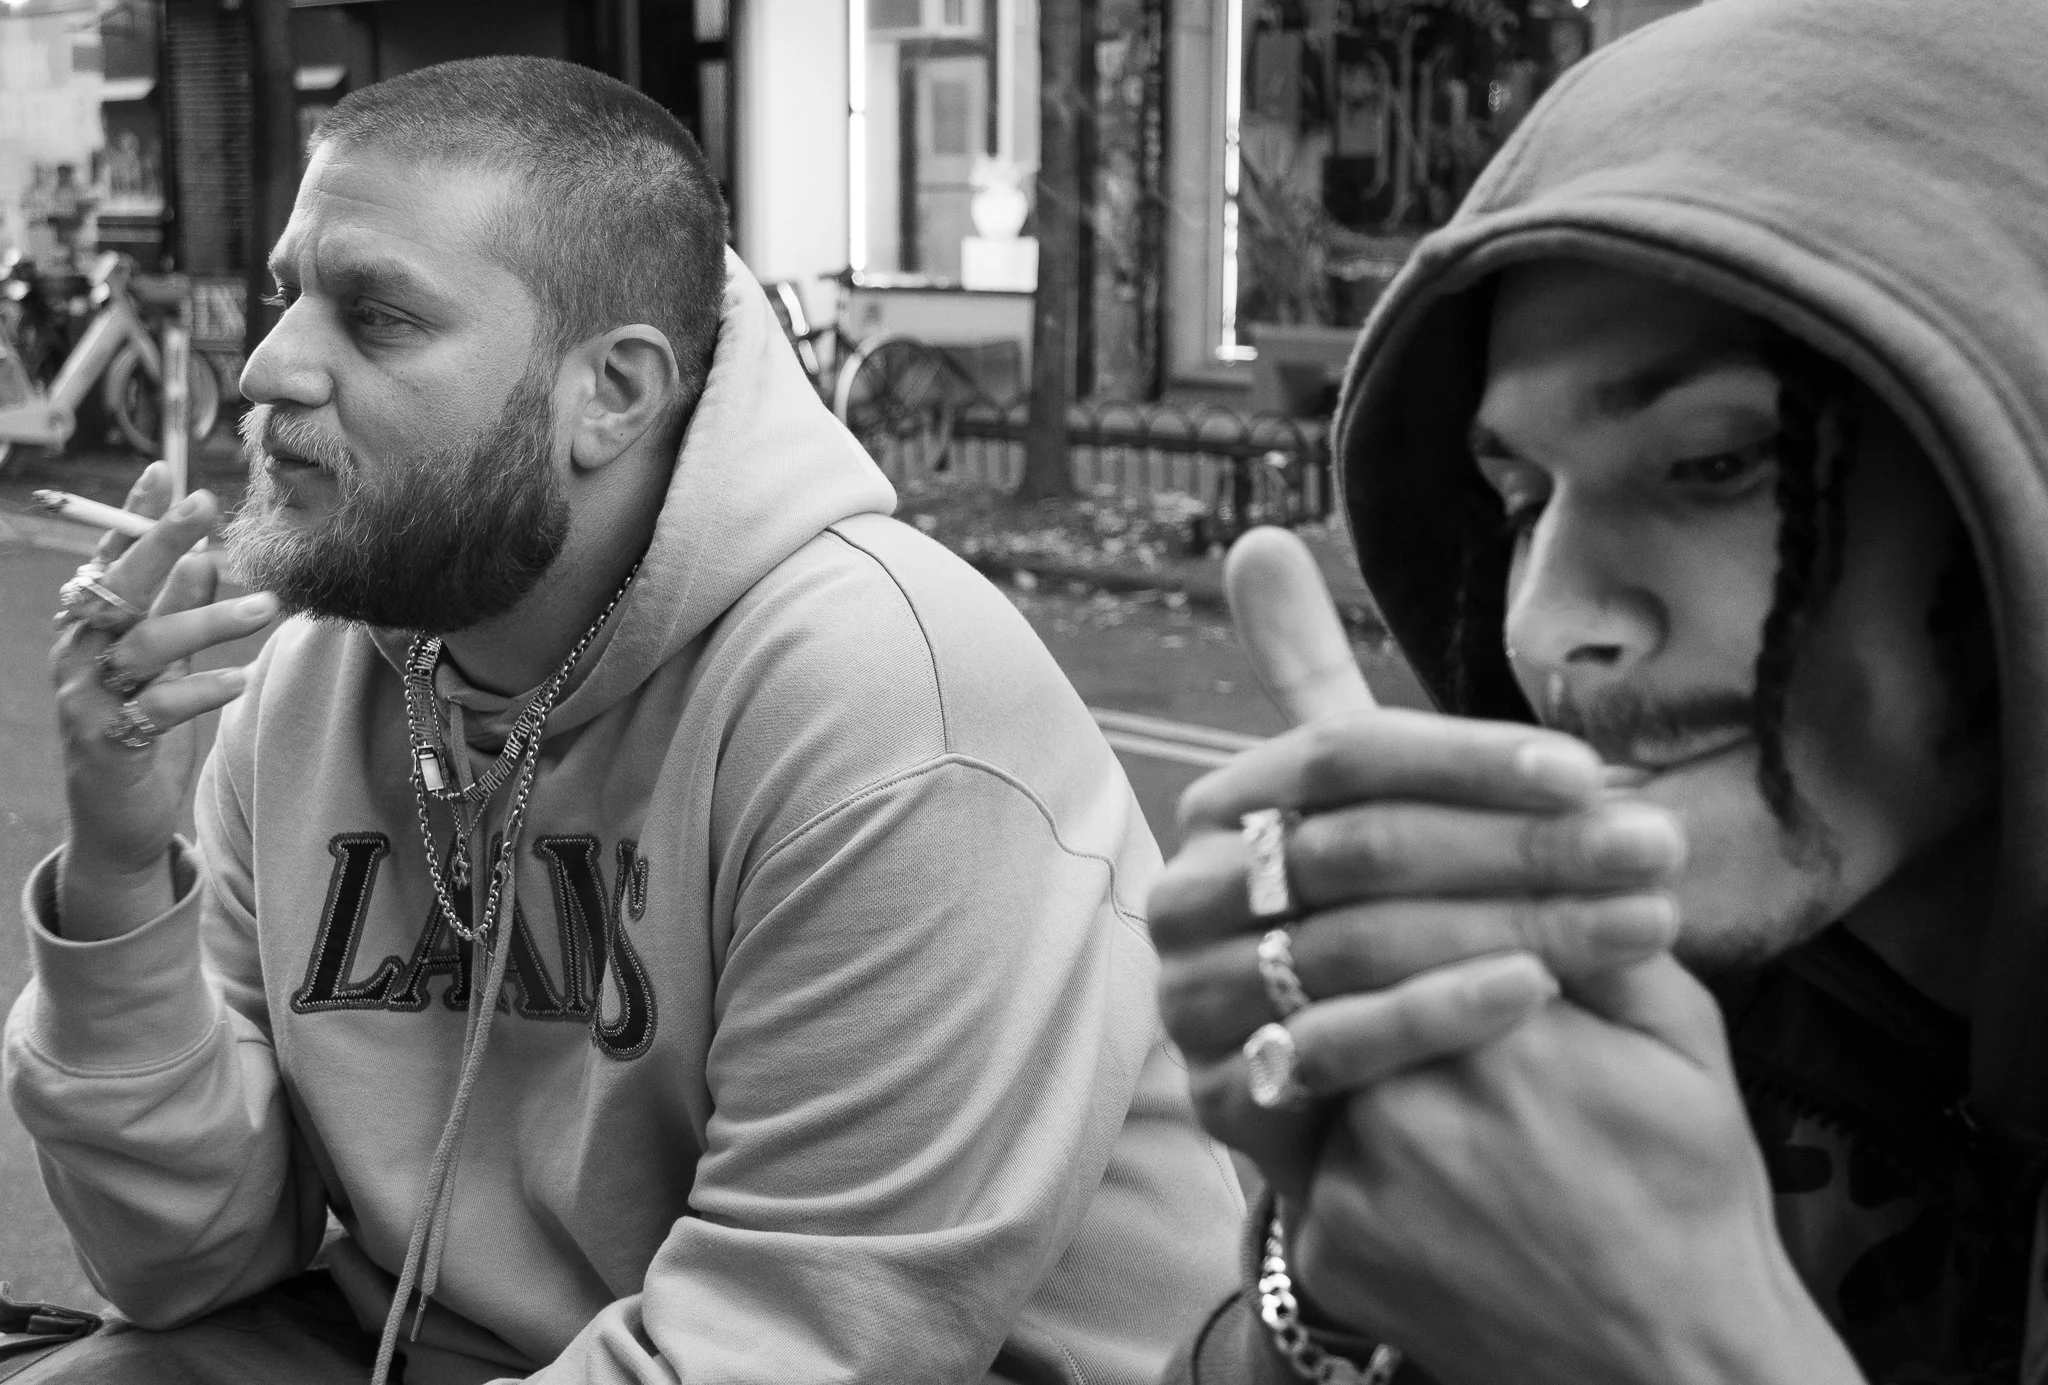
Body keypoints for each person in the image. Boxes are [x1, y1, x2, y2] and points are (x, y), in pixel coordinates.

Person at [3, 57, 1240, 1385]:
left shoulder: (886, 706)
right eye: (289, 295)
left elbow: (790, 1346)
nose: (266, 368)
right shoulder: (320, 677)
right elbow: (188, 1266)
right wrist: (123, 872)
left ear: (614, 393)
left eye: (375, 316)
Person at [1153, 0, 2048, 1380]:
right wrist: (1340, 1296)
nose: (1545, 628)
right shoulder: (1594, 1019)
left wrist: (1683, 1343)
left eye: (1714, 465)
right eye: (1518, 498)